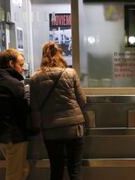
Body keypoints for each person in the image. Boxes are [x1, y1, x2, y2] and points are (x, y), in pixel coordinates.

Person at [30, 42, 86, 180]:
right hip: (74, 127)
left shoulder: (35, 78)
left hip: (51, 129)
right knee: (74, 169)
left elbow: (34, 107)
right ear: (59, 55)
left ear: (43, 56)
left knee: (56, 169)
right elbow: (82, 101)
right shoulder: (70, 73)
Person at [0, 49, 30, 180]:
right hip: (14, 136)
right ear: (11, 63)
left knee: (22, 169)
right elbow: (25, 109)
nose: (23, 69)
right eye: (21, 65)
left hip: (1, 134)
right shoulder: (15, 84)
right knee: (14, 174)